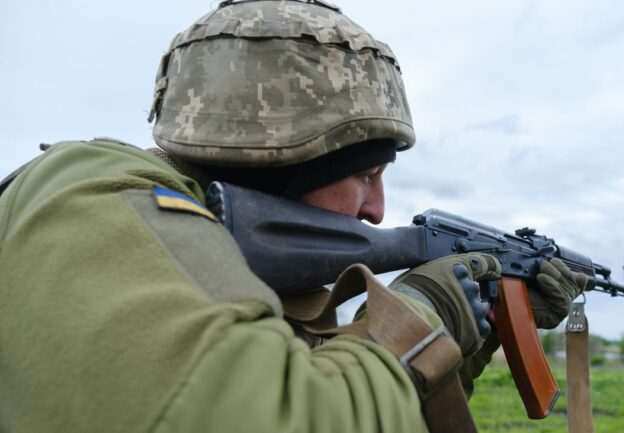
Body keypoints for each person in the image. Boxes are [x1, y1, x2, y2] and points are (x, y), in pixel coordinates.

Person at [0, 1, 586, 432]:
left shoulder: (231, 277)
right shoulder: (90, 196)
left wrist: (472, 327)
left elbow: (361, 404)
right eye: (366, 174)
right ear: (279, 159)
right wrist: (423, 311)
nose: (378, 209)